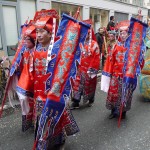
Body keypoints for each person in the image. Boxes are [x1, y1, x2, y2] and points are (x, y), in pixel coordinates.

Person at [101, 18, 147, 124]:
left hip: (126, 76)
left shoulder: (133, 48)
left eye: (124, 32)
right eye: (121, 32)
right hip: (115, 76)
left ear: (128, 34)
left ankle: (123, 112)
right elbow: (110, 61)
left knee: (125, 95)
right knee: (113, 94)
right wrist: (107, 74)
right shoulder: (115, 46)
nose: (122, 34)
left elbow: (139, 61)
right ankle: (113, 110)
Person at [70, 20, 100, 109]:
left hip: (89, 69)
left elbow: (96, 58)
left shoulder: (94, 45)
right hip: (79, 69)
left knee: (89, 85)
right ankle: (76, 101)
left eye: (87, 33)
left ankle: (91, 99)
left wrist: (91, 70)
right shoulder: (79, 43)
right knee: (77, 85)